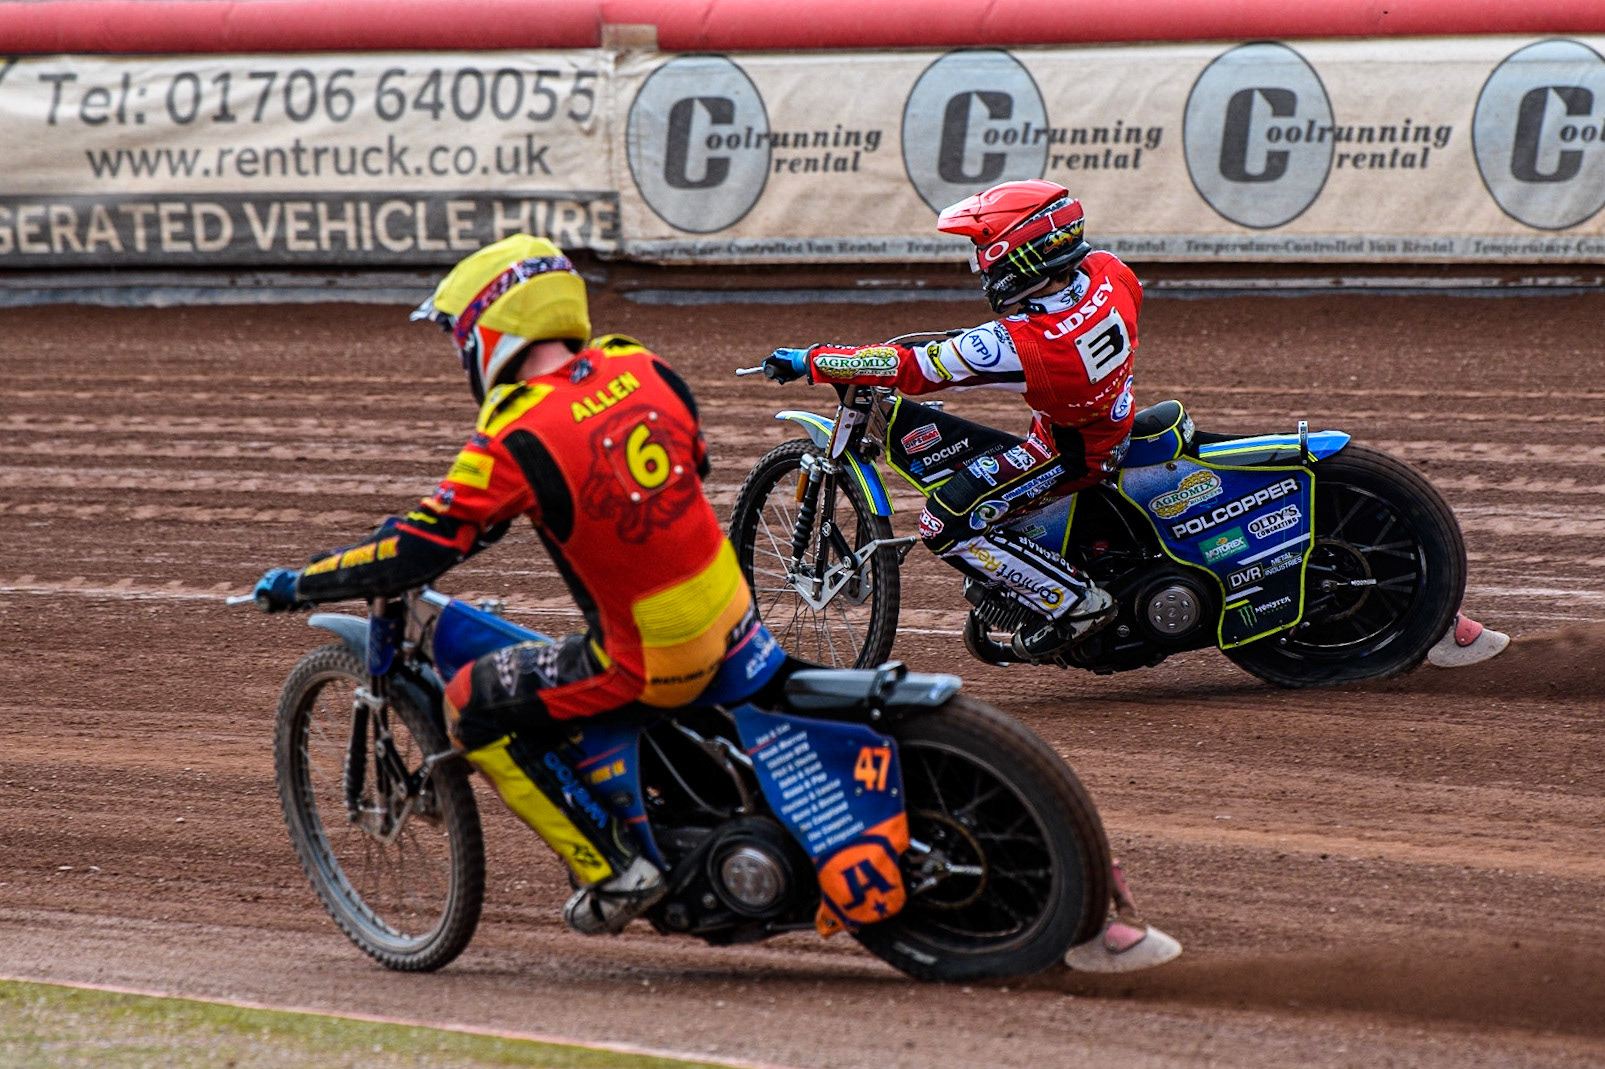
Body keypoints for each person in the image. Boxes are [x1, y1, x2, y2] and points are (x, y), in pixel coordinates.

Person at [251, 234, 759, 935]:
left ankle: (614, 867)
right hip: (735, 613)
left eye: (461, 334)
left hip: (653, 656)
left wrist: (301, 581)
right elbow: (691, 464)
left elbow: (412, 552)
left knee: (470, 703)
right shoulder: (640, 363)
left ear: (490, 328)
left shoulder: (516, 430)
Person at [765, 179, 1141, 662]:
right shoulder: (1110, 273)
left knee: (942, 523)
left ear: (1018, 253)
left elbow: (914, 369)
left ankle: (1076, 605)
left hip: (1069, 453)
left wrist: (811, 359)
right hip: (1105, 419)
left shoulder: (1027, 344)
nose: (979, 262)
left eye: (983, 248)